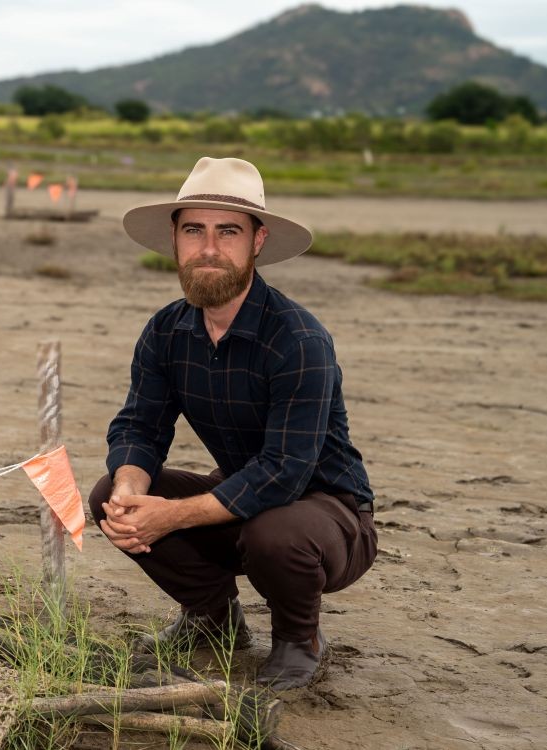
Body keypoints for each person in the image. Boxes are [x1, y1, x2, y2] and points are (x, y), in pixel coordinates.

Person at [91, 157, 376, 690]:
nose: (209, 248)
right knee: (111, 491)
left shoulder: (298, 340)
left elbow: (285, 472)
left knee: (277, 530)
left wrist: (170, 516)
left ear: (258, 241)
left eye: (229, 232)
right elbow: (139, 426)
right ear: (175, 239)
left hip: (330, 517)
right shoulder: (166, 331)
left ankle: (300, 640)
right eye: (194, 230)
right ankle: (215, 619)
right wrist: (133, 491)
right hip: (242, 503)